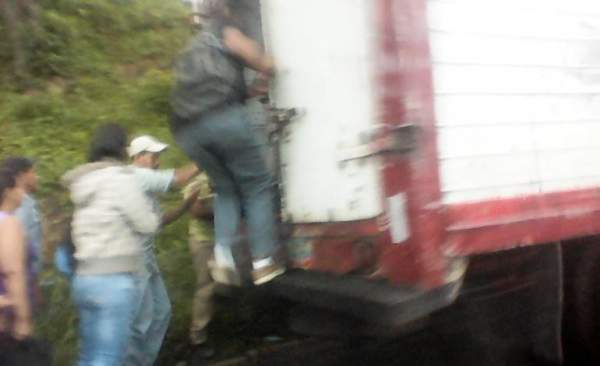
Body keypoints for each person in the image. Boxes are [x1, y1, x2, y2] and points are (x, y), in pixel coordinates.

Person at [170, 0, 284, 285]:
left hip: (185, 129)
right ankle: (263, 262)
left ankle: (223, 260)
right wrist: (271, 65)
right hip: (221, 118)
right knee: (257, 184)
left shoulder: (193, 46)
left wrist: (248, 90)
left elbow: (211, 85)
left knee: (226, 189)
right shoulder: (225, 28)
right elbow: (254, 56)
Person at [62, 124, 160, 366]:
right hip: (113, 280)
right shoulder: (120, 179)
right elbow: (147, 224)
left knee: (89, 354)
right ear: (121, 148)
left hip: (84, 278)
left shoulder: (83, 182)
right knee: (108, 356)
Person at [124, 135, 199, 366]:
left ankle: (145, 361)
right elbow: (177, 179)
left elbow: (158, 221)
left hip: (146, 258)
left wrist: (185, 207)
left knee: (162, 311)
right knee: (142, 319)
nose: (157, 162)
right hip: (134, 259)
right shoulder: (136, 175)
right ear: (138, 157)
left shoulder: (142, 182)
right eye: (153, 156)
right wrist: (207, 158)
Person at [183, 173, 216, 360]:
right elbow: (195, 210)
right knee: (206, 287)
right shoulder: (198, 180)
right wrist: (226, 210)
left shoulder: (224, 175)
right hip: (204, 241)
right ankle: (197, 338)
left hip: (225, 239)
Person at [1, 157, 42, 302]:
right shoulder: (22, 205)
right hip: (18, 282)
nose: (37, 177)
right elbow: (19, 248)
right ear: (21, 176)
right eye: (33, 172)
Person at [0, 167, 33, 341]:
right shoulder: (8, 223)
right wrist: (23, 318)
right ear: (8, 192)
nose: (23, 193)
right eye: (20, 188)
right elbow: (13, 271)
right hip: (5, 315)